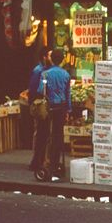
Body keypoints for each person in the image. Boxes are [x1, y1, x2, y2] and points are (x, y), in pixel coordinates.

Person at [38, 48, 72, 181]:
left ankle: (46, 161)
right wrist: (68, 110)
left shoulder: (45, 74)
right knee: (58, 135)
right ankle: (55, 161)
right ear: (63, 60)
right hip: (61, 107)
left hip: (49, 106)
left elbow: (41, 90)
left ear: (51, 59)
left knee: (45, 134)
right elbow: (68, 93)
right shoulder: (66, 75)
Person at [26, 48, 51, 170]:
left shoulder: (45, 70)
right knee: (40, 133)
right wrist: (34, 104)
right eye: (49, 55)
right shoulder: (38, 71)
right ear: (44, 57)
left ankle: (42, 159)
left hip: (44, 105)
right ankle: (36, 160)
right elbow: (34, 89)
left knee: (44, 133)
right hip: (40, 105)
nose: (51, 58)